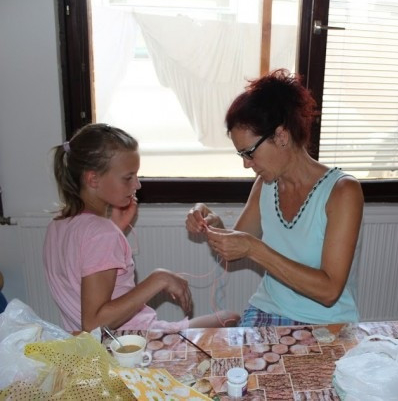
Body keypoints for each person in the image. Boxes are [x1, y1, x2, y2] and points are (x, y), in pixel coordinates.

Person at [185, 69, 364, 327]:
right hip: (267, 308)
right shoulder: (265, 185)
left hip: (326, 322)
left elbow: (329, 291)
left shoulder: (342, 192)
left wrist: (255, 249)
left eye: (249, 153)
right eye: (241, 155)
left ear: (281, 136)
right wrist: (211, 223)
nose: (246, 164)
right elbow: (235, 248)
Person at [44, 123, 238, 332]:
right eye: (128, 178)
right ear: (93, 179)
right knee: (230, 318)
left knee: (225, 319)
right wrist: (158, 279)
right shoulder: (101, 233)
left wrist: (116, 228)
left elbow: (83, 268)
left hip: (91, 345)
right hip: (134, 342)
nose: (137, 185)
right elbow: (93, 325)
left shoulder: (58, 225)